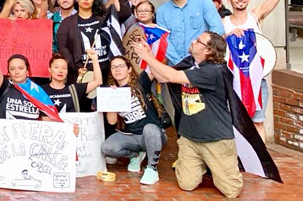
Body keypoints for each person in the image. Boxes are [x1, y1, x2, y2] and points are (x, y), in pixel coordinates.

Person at [132, 31, 242, 198]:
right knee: (186, 184)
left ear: (208, 51)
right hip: (190, 137)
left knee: (231, 191)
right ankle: (205, 165)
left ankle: (212, 165)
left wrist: (147, 58)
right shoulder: (191, 64)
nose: (193, 41)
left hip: (215, 138)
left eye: (198, 41)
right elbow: (163, 77)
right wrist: (150, 55)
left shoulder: (214, 71)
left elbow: (172, 75)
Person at [223, 0, 286, 139]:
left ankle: (260, 163)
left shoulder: (255, 16)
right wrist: (227, 36)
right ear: (229, 1)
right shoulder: (223, 23)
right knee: (234, 121)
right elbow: (214, 48)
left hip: (257, 80)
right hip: (233, 80)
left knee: (258, 121)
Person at [101, 56, 166, 185]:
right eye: (114, 67)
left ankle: (152, 169)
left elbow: (156, 66)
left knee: (150, 128)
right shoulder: (112, 91)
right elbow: (112, 121)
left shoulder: (140, 82)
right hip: (133, 137)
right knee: (107, 148)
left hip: (154, 134)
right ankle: (135, 155)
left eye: (121, 66)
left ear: (129, 69)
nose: (117, 69)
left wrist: (147, 52)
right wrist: (112, 99)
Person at [156, 0, 223, 65]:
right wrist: (179, 62)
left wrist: (203, 54)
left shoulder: (203, 2)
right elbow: (163, 39)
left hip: (203, 63)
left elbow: (217, 29)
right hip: (175, 65)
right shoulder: (162, 11)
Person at [42, 50, 101, 114]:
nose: (60, 71)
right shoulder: (41, 90)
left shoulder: (74, 89)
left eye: (64, 68)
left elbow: (98, 81)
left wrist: (95, 60)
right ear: (50, 69)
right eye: (56, 67)